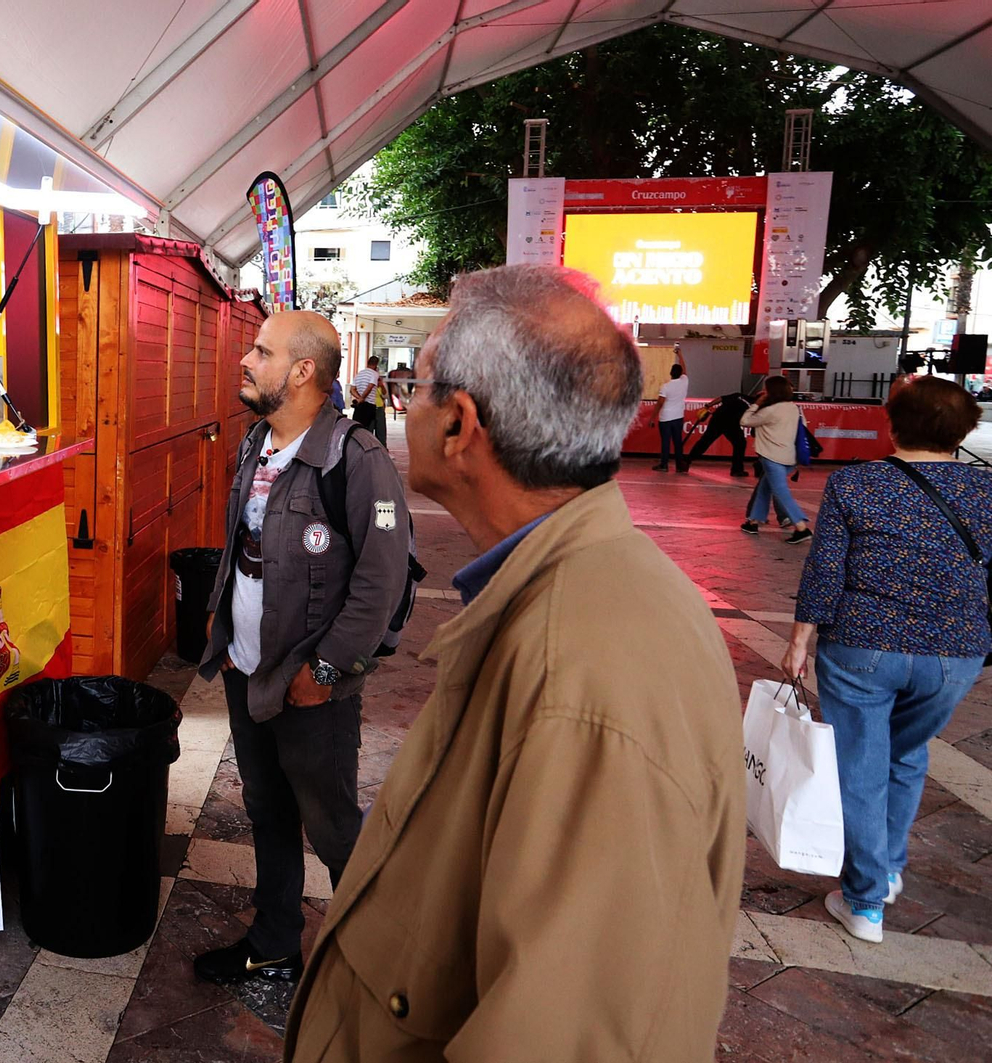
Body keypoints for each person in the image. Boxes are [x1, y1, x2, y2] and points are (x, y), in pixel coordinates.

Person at [285, 266, 744, 1063]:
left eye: (419, 384)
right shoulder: (572, 597)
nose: (407, 402)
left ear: (460, 426)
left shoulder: (585, 669)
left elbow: (569, 1030)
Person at [194, 311, 411, 986]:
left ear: (302, 371)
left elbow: (382, 579)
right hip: (249, 668)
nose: (244, 360)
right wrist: (222, 627)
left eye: (260, 350)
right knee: (267, 807)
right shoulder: (255, 443)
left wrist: (325, 669)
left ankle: (381, 961)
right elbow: (241, 546)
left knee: (334, 821)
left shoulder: (358, 459)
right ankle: (276, 943)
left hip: (313, 679)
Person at [782, 377, 991, 944]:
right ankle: (887, 870)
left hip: (862, 648)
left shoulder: (855, 483)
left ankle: (865, 899)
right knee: (905, 754)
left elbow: (826, 569)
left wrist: (800, 638)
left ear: (891, 423)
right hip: (955, 654)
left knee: (861, 766)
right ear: (964, 430)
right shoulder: (986, 491)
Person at [738, 376, 813, 543]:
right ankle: (753, 522)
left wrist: (757, 403)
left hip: (772, 457)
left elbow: (744, 421)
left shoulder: (769, 411)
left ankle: (801, 527)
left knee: (781, 492)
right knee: (765, 488)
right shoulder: (793, 408)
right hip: (789, 457)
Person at [677, 388, 752, 476]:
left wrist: (708, 405)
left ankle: (686, 461)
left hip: (718, 418)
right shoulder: (755, 406)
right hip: (731, 423)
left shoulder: (739, 395)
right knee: (740, 443)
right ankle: (737, 470)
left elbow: (720, 398)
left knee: (705, 441)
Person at [652, 343, 689, 471]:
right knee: (678, 442)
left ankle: (664, 464)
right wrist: (680, 355)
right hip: (678, 417)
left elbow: (660, 403)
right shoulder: (684, 382)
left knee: (666, 442)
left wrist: (652, 417)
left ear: (670, 373)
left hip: (666, 418)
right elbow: (684, 368)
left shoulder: (666, 387)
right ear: (680, 374)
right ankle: (679, 465)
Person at [349, 354, 384, 441]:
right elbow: (370, 386)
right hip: (370, 405)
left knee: (359, 428)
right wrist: (362, 398)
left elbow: (352, 389)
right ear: (376, 364)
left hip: (360, 406)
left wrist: (359, 398)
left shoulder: (359, 374)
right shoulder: (374, 374)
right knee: (369, 429)